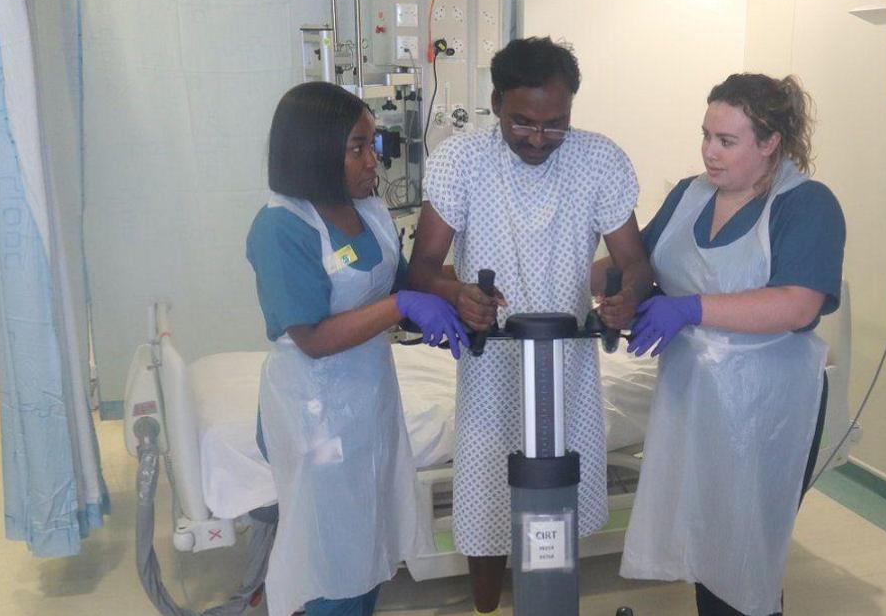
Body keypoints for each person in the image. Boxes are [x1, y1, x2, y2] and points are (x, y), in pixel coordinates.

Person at [407, 36, 653, 614]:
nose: (539, 137)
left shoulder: (600, 160)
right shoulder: (460, 161)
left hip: (565, 362)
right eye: (523, 122)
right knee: (488, 487)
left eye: (555, 124)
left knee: (561, 492)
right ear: (496, 103)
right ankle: (488, 607)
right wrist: (459, 292)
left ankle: (550, 598)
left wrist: (625, 297)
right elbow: (420, 269)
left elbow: (634, 261)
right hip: (492, 360)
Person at [618, 73, 845, 616]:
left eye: (726, 141)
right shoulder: (690, 194)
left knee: (745, 556)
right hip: (694, 396)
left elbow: (797, 305)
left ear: (770, 143)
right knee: (705, 542)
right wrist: (601, 287)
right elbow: (642, 264)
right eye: (706, 136)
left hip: (764, 403)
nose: (709, 153)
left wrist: (692, 307)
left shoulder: (806, 205)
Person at [246, 82, 469, 616]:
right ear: (315, 149)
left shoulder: (367, 210)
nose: (375, 160)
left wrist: (461, 293)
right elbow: (313, 337)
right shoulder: (282, 227)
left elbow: (398, 282)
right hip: (316, 412)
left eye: (374, 144)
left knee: (370, 543)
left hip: (368, 399)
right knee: (331, 555)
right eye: (358, 147)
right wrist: (404, 309)